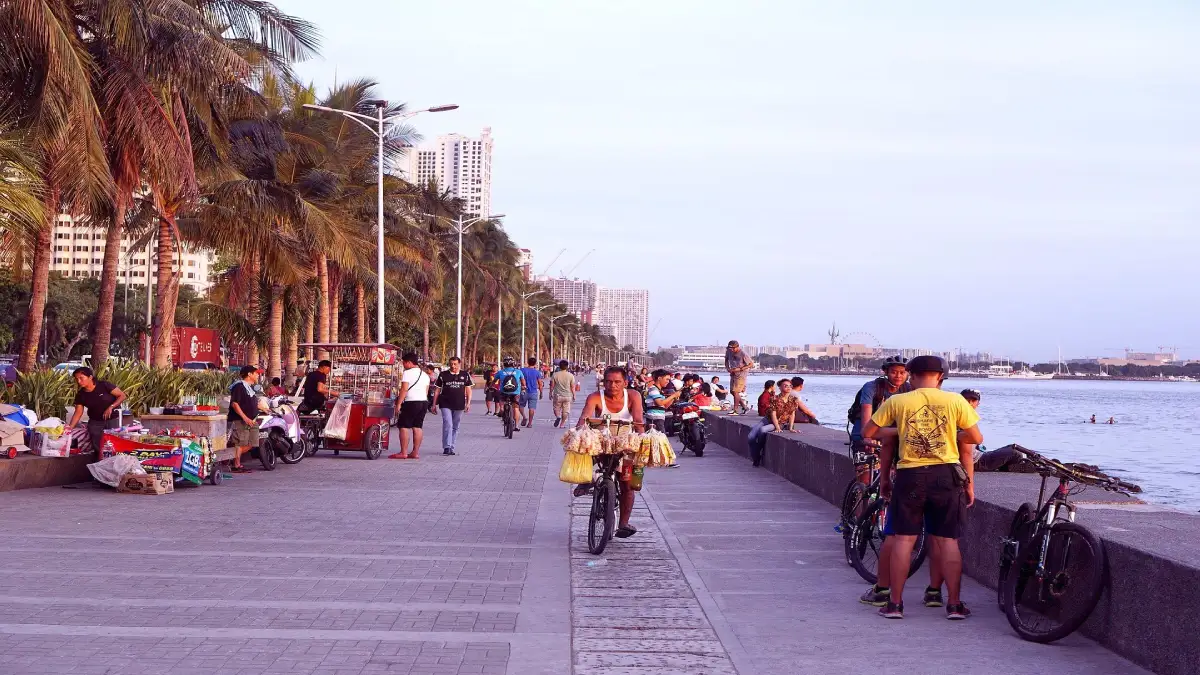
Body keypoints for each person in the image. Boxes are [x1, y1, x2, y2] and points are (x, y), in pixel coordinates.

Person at [863, 355, 982, 621]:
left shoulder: (898, 401)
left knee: (904, 540)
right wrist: (949, 434)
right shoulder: (955, 401)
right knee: (947, 541)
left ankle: (894, 604)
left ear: (911, 375)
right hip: (946, 476)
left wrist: (903, 431)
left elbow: (869, 432)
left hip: (910, 475)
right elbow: (975, 438)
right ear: (940, 377)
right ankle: (953, 605)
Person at [572, 365, 647, 538]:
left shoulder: (633, 396)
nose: (612, 385)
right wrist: (579, 430)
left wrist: (643, 438)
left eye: (617, 382)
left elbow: (637, 420)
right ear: (603, 382)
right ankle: (585, 480)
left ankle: (623, 523)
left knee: (628, 485)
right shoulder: (595, 397)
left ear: (625, 382)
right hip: (602, 443)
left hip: (626, 444)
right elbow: (584, 417)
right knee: (581, 446)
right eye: (609, 382)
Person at [65, 367, 127, 454]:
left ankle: (116, 462)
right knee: (99, 446)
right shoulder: (81, 395)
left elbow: (122, 395)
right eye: (76, 379)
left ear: (90, 377)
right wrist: (70, 428)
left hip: (113, 419)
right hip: (95, 422)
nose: (78, 381)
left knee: (114, 443)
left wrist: (111, 407)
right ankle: (100, 463)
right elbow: (78, 412)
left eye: (81, 378)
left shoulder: (104, 385)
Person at [391, 352, 431, 459]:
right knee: (417, 427)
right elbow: (426, 391)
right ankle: (415, 452)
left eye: (404, 363)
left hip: (411, 402)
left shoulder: (407, 373)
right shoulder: (425, 375)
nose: (403, 365)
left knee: (404, 426)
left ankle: (403, 452)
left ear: (409, 362)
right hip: (423, 402)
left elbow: (404, 389)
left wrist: (398, 404)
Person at [431, 356, 472, 456]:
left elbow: (468, 390)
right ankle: (447, 447)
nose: (453, 366)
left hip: (459, 404)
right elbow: (437, 390)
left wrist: (468, 403)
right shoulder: (443, 375)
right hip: (445, 403)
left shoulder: (465, 375)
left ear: (459, 364)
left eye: (455, 364)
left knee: (455, 426)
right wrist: (433, 404)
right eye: (451, 364)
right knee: (448, 424)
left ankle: (452, 445)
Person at [225, 365, 261, 473]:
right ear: (249, 374)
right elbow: (235, 404)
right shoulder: (239, 386)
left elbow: (251, 402)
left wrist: (264, 408)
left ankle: (232, 458)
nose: (258, 375)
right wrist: (245, 418)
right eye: (256, 373)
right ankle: (236, 465)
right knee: (240, 442)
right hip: (240, 420)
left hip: (252, 420)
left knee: (252, 443)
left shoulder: (249, 387)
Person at [644, 369, 683, 434]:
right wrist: (673, 395)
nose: (668, 382)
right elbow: (659, 403)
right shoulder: (653, 389)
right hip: (654, 420)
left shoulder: (659, 391)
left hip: (659, 419)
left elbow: (665, 406)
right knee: (661, 441)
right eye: (667, 379)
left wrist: (674, 398)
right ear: (659, 378)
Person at [725, 340, 755, 414]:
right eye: (730, 348)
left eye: (733, 348)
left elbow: (751, 364)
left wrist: (740, 369)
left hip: (741, 374)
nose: (731, 350)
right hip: (733, 373)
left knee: (736, 391)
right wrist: (728, 368)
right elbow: (726, 360)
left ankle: (735, 410)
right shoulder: (729, 351)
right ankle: (744, 407)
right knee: (732, 391)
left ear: (737, 347)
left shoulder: (743, 354)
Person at [495, 356, 526, 428]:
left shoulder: (501, 372)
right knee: (516, 408)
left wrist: (490, 387)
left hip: (504, 392)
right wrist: (524, 387)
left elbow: (494, 381)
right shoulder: (518, 371)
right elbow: (523, 381)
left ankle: (502, 409)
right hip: (515, 392)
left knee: (501, 399)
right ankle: (517, 426)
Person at [549, 360, 578, 427]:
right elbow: (572, 387)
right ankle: (562, 424)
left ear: (559, 366)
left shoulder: (555, 375)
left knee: (556, 408)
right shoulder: (570, 375)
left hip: (557, 395)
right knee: (566, 411)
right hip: (567, 396)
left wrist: (550, 393)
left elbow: (552, 386)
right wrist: (574, 395)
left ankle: (558, 416)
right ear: (567, 367)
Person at [520, 357, 544, 427]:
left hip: (523, 391)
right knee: (532, 408)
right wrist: (541, 393)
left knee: (520, 405)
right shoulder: (537, 372)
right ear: (535, 363)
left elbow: (519, 380)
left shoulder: (522, 370)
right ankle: (530, 423)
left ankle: (524, 417)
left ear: (527, 362)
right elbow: (540, 384)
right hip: (533, 392)